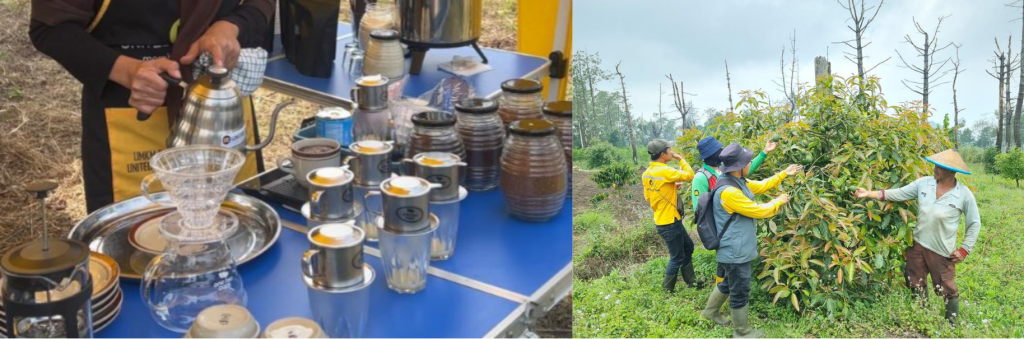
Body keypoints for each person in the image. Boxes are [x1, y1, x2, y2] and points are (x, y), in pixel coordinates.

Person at [29, 0, 274, 212]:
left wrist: (231, 25)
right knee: (140, 242)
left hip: (223, 112)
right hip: (132, 113)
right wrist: (127, 71)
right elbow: (50, 27)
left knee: (237, 230)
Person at [852, 149, 981, 324]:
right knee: (914, 279)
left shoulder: (963, 194)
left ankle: (951, 325)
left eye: (940, 167)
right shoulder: (924, 184)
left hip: (942, 250)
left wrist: (964, 250)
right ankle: (921, 315)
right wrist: (869, 193)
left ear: (952, 171)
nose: (935, 168)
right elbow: (898, 193)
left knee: (947, 287)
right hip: (919, 244)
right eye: (935, 165)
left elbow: (974, 223)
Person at [699, 143, 801, 338]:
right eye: (747, 162)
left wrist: (783, 174)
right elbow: (758, 210)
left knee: (729, 282)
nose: (750, 164)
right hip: (735, 250)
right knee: (740, 290)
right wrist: (778, 201)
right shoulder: (729, 191)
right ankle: (742, 332)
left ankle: (709, 313)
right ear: (738, 166)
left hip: (734, 246)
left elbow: (761, 185)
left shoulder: (736, 180)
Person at [686, 136, 778, 285]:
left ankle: (723, 290)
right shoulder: (700, 177)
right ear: (712, 154)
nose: (722, 151)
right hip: (721, 225)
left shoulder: (723, 170)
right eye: (719, 150)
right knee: (725, 263)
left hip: (731, 223)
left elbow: (745, 169)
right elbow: (700, 208)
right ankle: (723, 289)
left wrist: (764, 152)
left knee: (725, 266)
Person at [641, 139, 697, 293]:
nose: (671, 153)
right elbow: (690, 175)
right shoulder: (665, 171)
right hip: (670, 223)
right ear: (662, 154)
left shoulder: (646, 174)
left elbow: (648, 197)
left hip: (665, 220)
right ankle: (667, 291)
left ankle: (692, 282)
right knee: (676, 257)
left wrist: (670, 187)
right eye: (669, 150)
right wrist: (681, 159)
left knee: (688, 247)